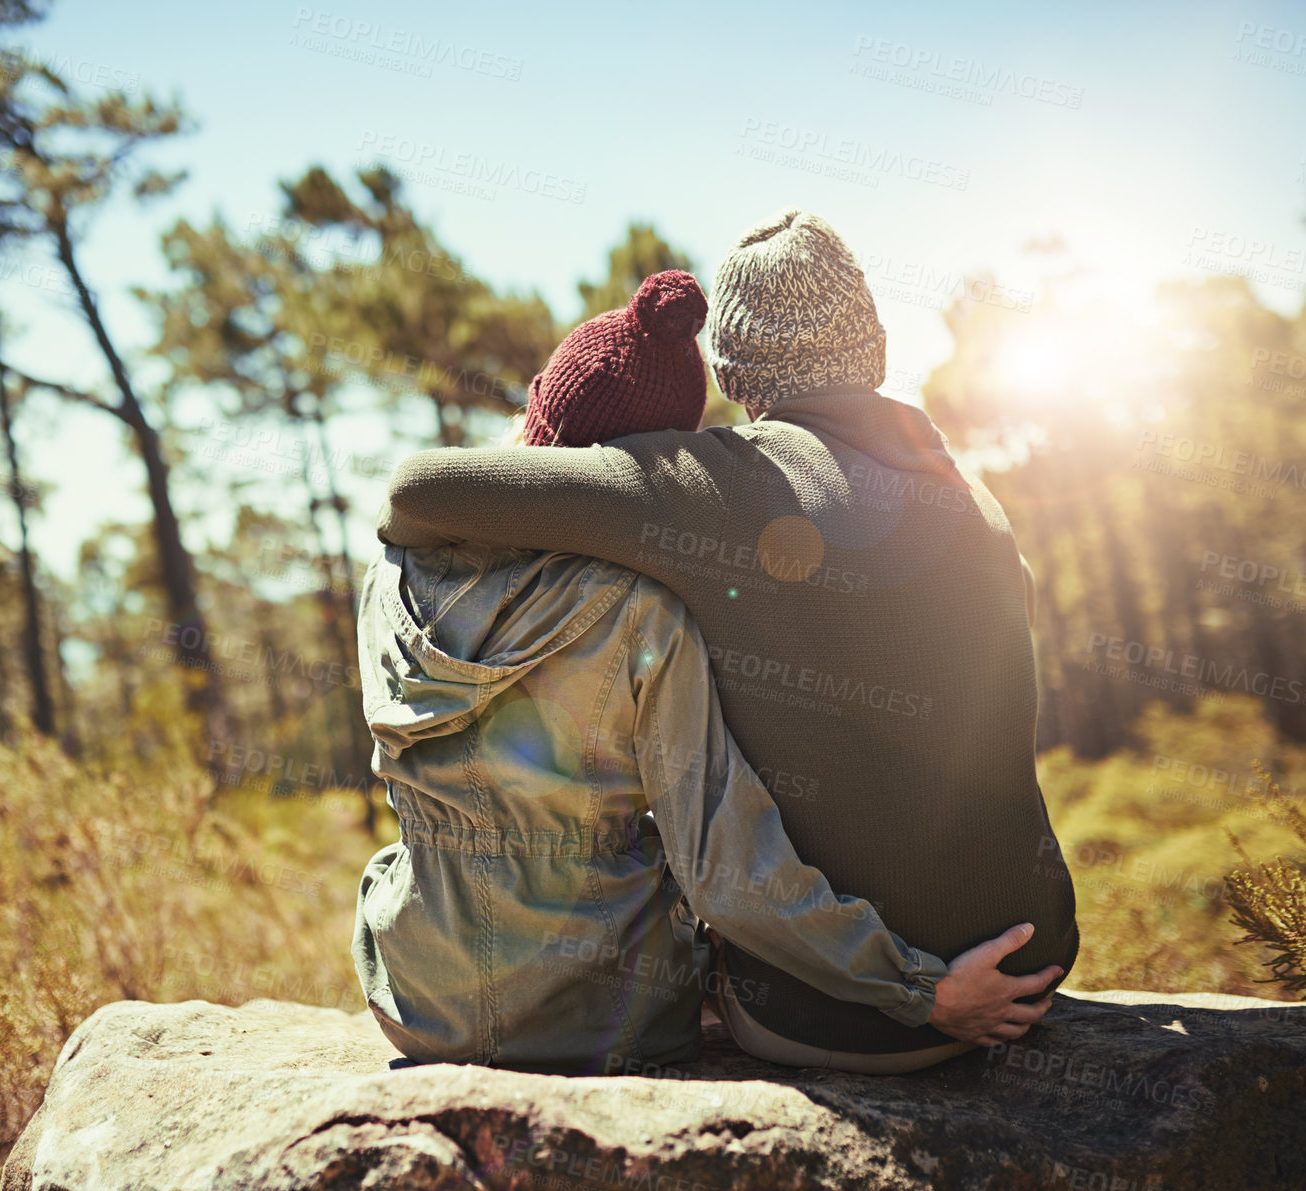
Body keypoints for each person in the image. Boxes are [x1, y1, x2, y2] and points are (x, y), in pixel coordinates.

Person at [376, 209, 1079, 1072]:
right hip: (1026, 969)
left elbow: (418, 490)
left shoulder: (718, 480)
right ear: (879, 344)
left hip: (847, 1020)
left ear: (739, 372)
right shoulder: (980, 506)